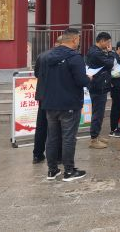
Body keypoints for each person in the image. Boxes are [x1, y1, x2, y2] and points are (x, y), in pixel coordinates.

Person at [41, 28, 91, 182]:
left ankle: (52, 170)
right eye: (78, 39)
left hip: (50, 103)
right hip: (68, 103)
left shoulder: (47, 56)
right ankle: (69, 171)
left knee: (52, 137)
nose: (79, 42)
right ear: (74, 39)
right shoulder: (75, 57)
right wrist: (89, 78)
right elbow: (81, 81)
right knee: (69, 137)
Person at [32, 38, 62, 164]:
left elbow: (36, 74)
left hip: (43, 95)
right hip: (56, 96)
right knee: (58, 126)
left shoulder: (42, 56)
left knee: (41, 125)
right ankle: (58, 156)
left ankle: (37, 154)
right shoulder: (63, 56)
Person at [86, 32, 115, 149]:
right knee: (98, 113)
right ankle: (94, 139)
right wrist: (110, 52)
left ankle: (96, 135)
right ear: (102, 41)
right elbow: (110, 63)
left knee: (99, 112)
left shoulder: (95, 51)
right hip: (98, 87)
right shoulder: (96, 53)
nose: (108, 45)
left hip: (99, 85)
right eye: (108, 42)